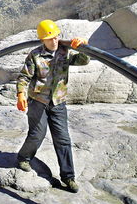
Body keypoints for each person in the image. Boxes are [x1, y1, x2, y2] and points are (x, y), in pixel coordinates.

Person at [15, 19, 89, 193]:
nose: (54, 41)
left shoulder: (65, 52)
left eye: (56, 37)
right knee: (37, 134)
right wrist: (20, 94)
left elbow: (83, 61)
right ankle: (23, 157)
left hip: (58, 102)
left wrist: (83, 46)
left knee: (63, 139)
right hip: (37, 102)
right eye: (50, 38)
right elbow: (24, 77)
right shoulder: (35, 55)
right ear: (42, 39)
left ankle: (69, 177)